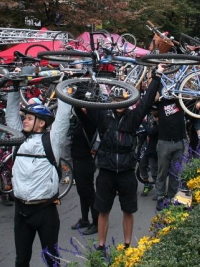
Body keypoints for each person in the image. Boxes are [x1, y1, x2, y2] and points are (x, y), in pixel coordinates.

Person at [74, 65, 162, 254]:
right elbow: (86, 108)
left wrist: (157, 77)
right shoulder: (104, 116)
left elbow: (146, 102)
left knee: (128, 210)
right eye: (115, 99)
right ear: (111, 100)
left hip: (126, 172)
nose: (119, 103)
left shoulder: (133, 118)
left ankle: (128, 245)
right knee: (103, 210)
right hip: (106, 170)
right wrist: (82, 82)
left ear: (128, 101)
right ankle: (101, 245)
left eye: (122, 100)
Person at [5, 80, 72, 267]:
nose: (24, 120)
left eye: (29, 118)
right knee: (21, 261)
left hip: (45, 212)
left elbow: (63, 118)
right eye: (24, 117)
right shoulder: (17, 139)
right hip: (21, 212)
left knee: (52, 262)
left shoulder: (52, 141)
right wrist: (13, 86)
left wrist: (65, 86)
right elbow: (10, 115)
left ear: (41, 123)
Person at [68, 110, 99, 236]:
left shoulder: (89, 122)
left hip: (85, 162)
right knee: (82, 192)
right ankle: (85, 219)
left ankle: (96, 222)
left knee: (89, 192)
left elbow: (78, 109)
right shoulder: (78, 123)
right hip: (77, 161)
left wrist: (73, 96)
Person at [139, 107, 159, 197]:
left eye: (155, 116)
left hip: (155, 151)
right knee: (142, 166)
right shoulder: (154, 122)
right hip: (149, 149)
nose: (154, 118)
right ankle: (147, 184)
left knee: (154, 172)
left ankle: (160, 192)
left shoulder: (160, 124)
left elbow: (151, 132)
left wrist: (144, 123)